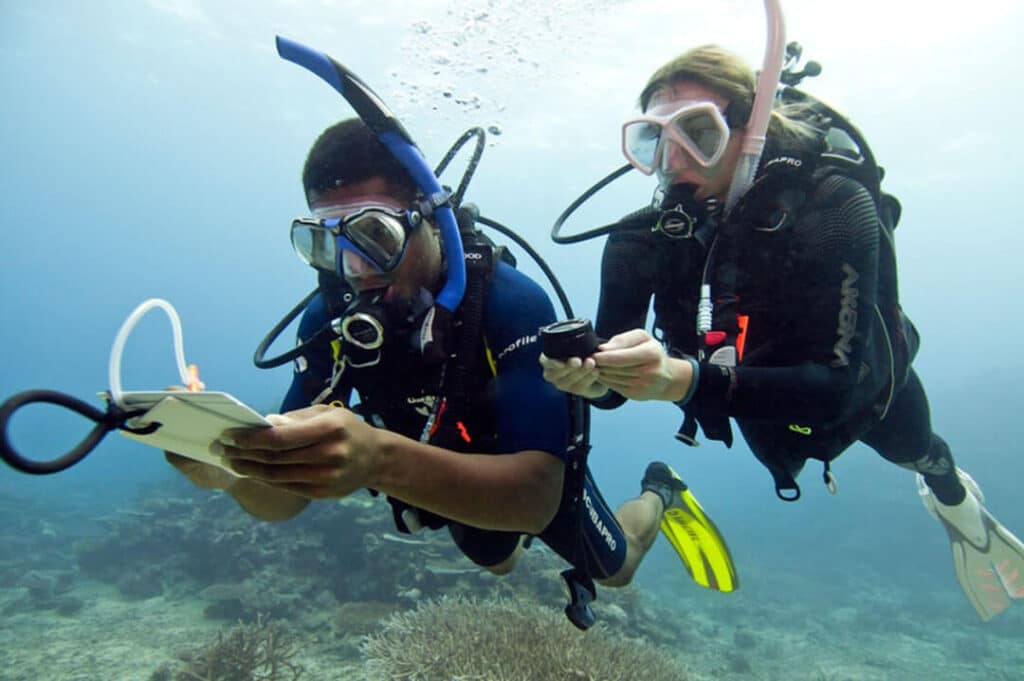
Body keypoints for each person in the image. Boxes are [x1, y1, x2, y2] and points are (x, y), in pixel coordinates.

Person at [165, 116, 736, 629]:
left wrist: (378, 458)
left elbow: (537, 497)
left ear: (431, 219)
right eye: (325, 243)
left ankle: (661, 491)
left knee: (617, 569)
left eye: (375, 237)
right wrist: (231, 470)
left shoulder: (510, 302)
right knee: (499, 561)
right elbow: (284, 501)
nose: (355, 270)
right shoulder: (331, 319)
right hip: (439, 471)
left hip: (524, 468)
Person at [541, 44, 1024, 621]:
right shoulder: (640, 239)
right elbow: (616, 388)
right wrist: (592, 380)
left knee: (915, 449)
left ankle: (958, 506)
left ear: (750, 129)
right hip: (750, 401)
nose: (675, 160)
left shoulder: (834, 205)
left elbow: (837, 388)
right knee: (784, 448)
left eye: (698, 132)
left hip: (865, 390)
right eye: (654, 140)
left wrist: (678, 379)